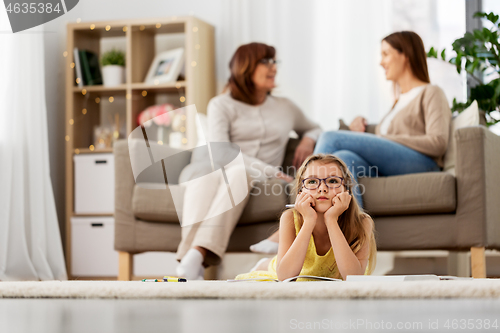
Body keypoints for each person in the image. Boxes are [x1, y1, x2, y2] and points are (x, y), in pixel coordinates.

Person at [250, 31, 451, 254]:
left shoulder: (430, 93)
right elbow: (388, 139)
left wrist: (376, 138)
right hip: (390, 164)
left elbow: (438, 142)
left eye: (386, 54)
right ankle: (352, 241)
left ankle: (296, 217)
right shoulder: (397, 101)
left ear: (405, 55)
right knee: (343, 160)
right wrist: (362, 129)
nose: (381, 61)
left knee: (330, 138)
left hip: (422, 163)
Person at [175, 42, 321, 280]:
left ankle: (193, 258)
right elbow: (222, 154)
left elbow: (315, 127)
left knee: (239, 173)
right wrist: (270, 171)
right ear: (245, 67)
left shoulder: (285, 107)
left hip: (249, 177)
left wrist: (307, 139)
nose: (273, 67)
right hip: (215, 168)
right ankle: (192, 260)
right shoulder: (221, 104)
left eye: (275, 61)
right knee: (209, 177)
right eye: (266, 61)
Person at [235, 154, 376, 281]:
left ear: (346, 189)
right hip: (278, 269)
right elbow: (285, 277)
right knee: (269, 267)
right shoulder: (290, 218)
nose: (322, 188)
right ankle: (263, 263)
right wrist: (309, 221)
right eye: (313, 182)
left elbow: (353, 278)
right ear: (301, 190)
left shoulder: (362, 222)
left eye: (333, 181)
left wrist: (331, 220)